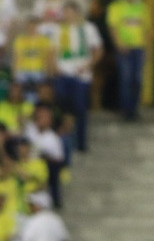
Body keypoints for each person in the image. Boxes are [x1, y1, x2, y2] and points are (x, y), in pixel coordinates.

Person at [51, 2, 103, 151]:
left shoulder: (89, 28)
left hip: (81, 75)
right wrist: (55, 67)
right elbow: (53, 50)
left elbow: (98, 50)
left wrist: (87, 65)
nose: (66, 15)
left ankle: (81, 142)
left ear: (76, 13)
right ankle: (62, 140)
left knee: (80, 108)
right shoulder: (59, 29)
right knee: (61, 107)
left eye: (68, 12)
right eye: (64, 12)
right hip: (63, 73)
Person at [106, 0, 150, 121]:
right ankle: (126, 111)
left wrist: (145, 49)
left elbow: (146, 29)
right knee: (126, 79)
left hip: (139, 48)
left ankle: (134, 110)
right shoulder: (116, 6)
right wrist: (119, 44)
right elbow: (112, 27)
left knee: (137, 80)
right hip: (124, 49)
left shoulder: (142, 7)